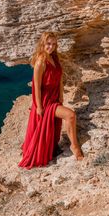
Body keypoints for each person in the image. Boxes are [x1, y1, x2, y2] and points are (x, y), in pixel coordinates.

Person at [18, 32, 84, 169]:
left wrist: (61, 95)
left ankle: (55, 147)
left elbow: (59, 78)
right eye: (48, 44)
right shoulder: (40, 61)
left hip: (55, 97)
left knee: (56, 123)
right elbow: (36, 86)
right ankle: (75, 146)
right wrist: (39, 107)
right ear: (42, 44)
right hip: (46, 101)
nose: (51, 47)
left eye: (54, 44)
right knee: (70, 115)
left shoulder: (54, 57)